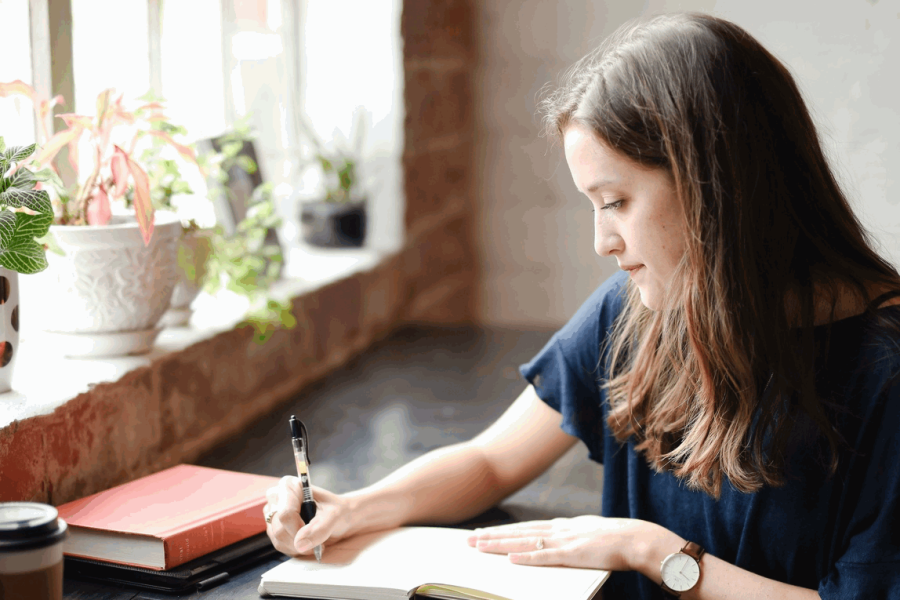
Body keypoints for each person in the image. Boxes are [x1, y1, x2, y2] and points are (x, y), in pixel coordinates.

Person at [264, 12, 900, 599]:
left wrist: (653, 550)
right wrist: (354, 508)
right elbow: (491, 460)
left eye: (616, 201)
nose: (602, 242)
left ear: (717, 185)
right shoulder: (636, 310)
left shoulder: (886, 373)